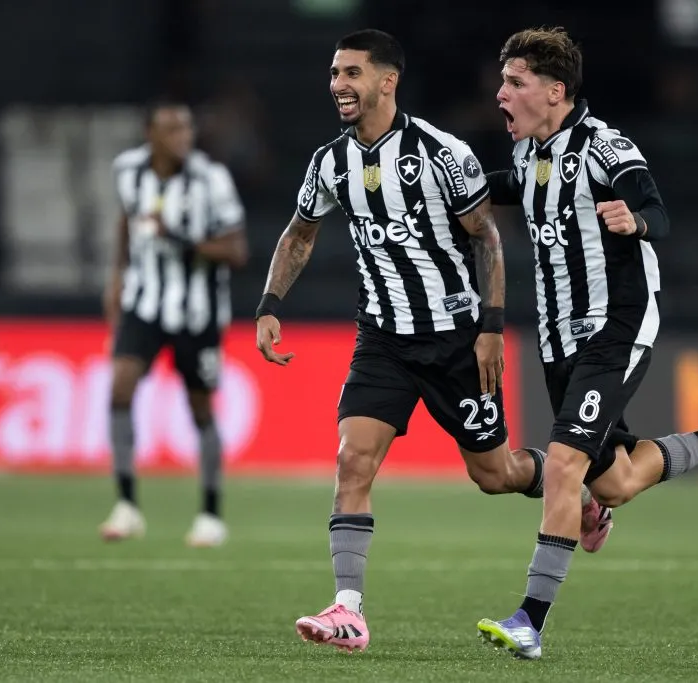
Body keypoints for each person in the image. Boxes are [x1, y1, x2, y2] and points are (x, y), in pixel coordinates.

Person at [253, 29, 605, 654]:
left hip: (455, 342)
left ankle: (570, 488)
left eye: (352, 73)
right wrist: (270, 304)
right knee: (352, 461)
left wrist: (492, 330)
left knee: (494, 475)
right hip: (382, 340)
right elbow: (299, 234)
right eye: (334, 73)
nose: (338, 84)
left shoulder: (442, 154)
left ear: (387, 81)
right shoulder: (329, 162)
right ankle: (348, 609)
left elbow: (486, 238)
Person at [474, 27, 698, 660]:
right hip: (557, 338)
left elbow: (657, 210)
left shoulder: (607, 147)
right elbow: (498, 188)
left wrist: (634, 220)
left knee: (564, 464)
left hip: (617, 324)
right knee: (614, 485)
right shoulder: (527, 156)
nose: (502, 94)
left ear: (555, 91)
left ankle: (530, 619)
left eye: (515, 82)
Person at [98, 99, 249, 548]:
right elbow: (127, 221)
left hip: (197, 313)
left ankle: (210, 513)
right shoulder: (127, 169)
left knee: (200, 408)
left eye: (186, 128)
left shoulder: (211, 179)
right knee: (120, 388)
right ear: (151, 134)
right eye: (172, 129)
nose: (183, 137)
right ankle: (126, 505)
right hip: (143, 303)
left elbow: (236, 250)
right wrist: (116, 282)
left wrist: (179, 239)